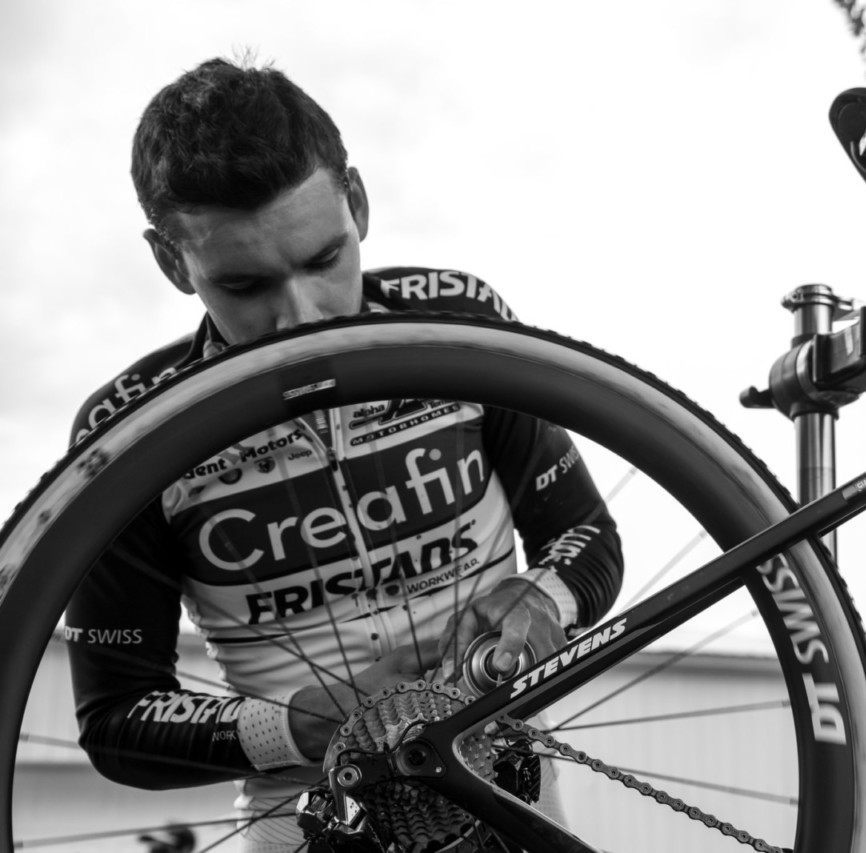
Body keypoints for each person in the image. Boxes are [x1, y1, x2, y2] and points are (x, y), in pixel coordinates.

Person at [63, 57, 624, 853]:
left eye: (325, 259)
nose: (301, 317)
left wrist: (543, 600)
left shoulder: (459, 321)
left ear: (356, 202)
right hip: (304, 818)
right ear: (171, 261)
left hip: (495, 789)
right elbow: (117, 720)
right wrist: (291, 725)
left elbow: (589, 540)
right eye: (247, 284)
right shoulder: (129, 430)